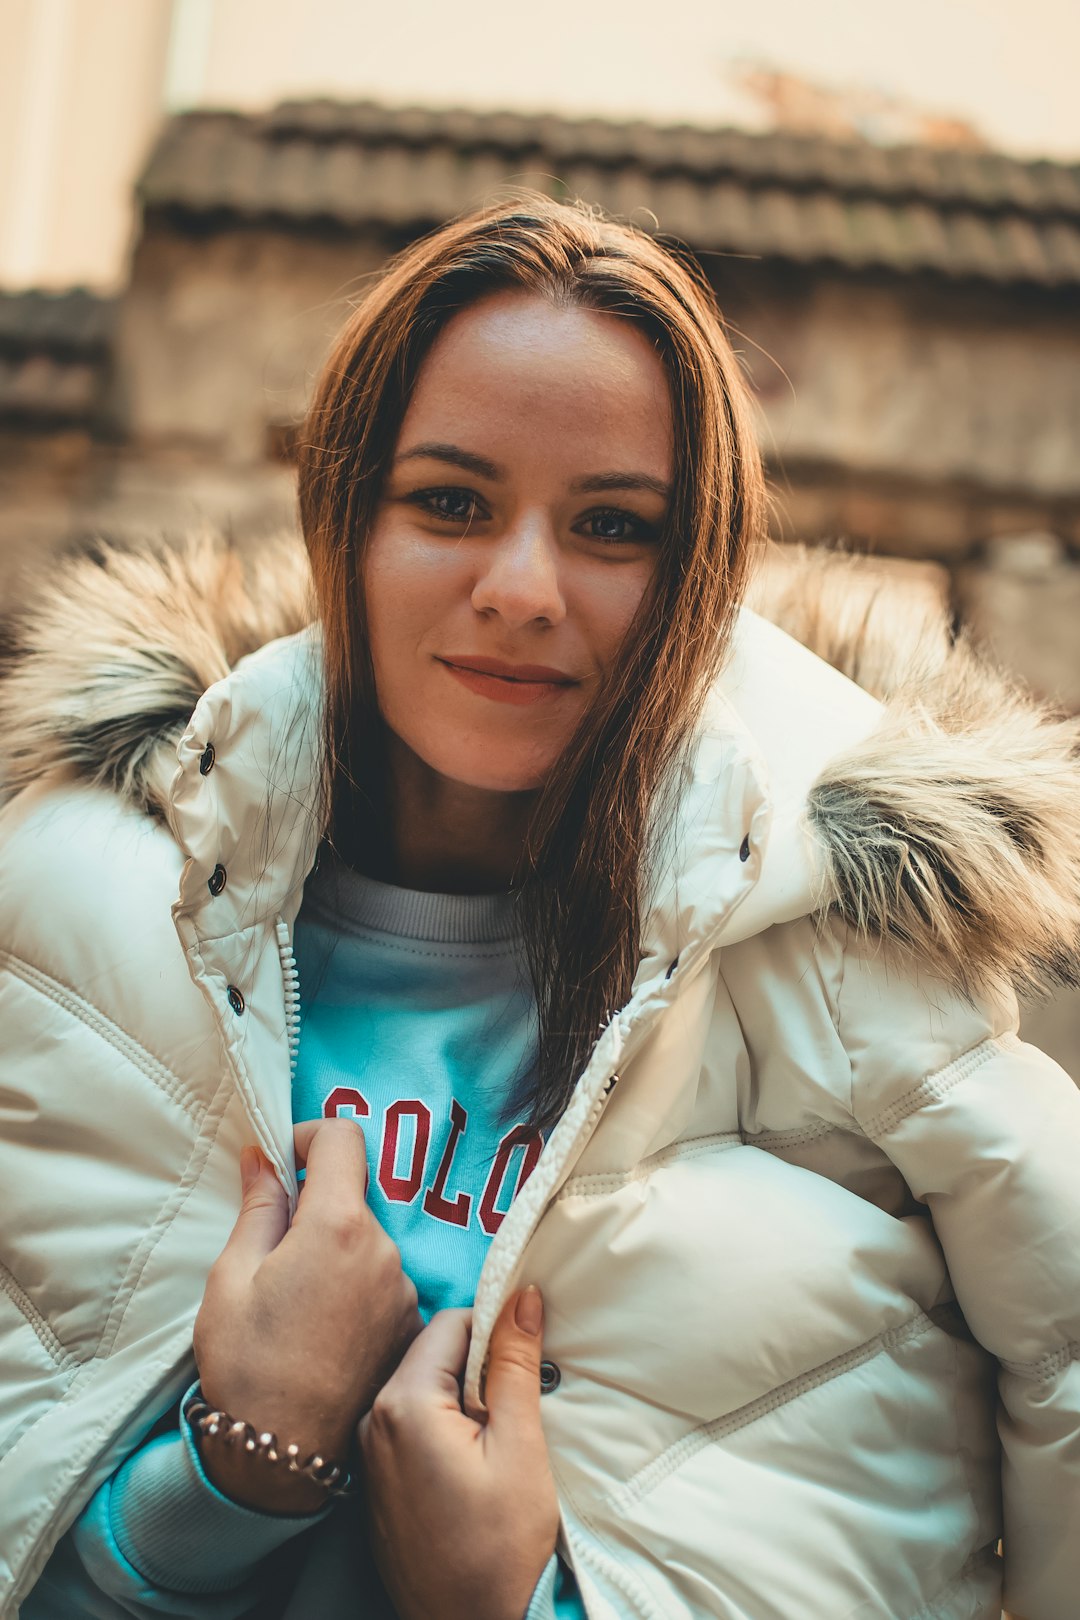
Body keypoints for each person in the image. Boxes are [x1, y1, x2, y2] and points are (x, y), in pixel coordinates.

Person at [1, 190, 1078, 1620]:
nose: (521, 589)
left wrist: (515, 1605)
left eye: (614, 526)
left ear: (696, 574)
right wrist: (234, 1473)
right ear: (348, 520)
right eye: (450, 501)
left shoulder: (856, 967)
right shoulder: (82, 899)